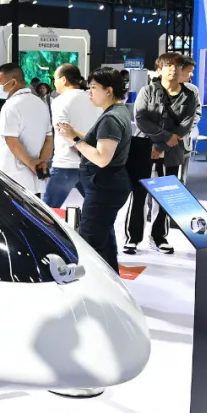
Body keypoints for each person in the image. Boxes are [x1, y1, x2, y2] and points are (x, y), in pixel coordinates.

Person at [54, 68, 133, 271]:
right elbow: (99, 142)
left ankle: (98, 284)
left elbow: (101, 158)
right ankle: (111, 281)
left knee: (91, 240)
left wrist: (74, 139)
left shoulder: (111, 118)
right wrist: (73, 133)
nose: (89, 92)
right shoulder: (117, 111)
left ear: (108, 90)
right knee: (104, 238)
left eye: (93, 88)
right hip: (108, 183)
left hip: (104, 185)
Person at [124, 53, 197, 255]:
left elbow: (186, 124)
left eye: (177, 66)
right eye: (168, 65)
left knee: (165, 196)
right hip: (144, 149)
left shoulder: (190, 95)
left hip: (172, 152)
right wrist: (163, 139)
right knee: (138, 195)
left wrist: (162, 146)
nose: (173, 69)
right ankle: (132, 237)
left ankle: (158, 237)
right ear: (159, 69)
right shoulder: (148, 91)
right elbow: (141, 119)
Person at [44, 64, 102, 208]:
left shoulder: (60, 101)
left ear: (63, 80)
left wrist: (78, 146)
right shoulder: (93, 99)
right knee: (97, 209)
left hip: (66, 164)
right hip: (92, 163)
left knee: (48, 211)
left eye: (55, 79)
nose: (54, 83)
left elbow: (62, 130)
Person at [0, 63, 54, 196]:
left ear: (13, 82)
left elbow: (11, 141)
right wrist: (41, 163)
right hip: (34, 179)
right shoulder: (40, 103)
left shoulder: (11, 106)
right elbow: (49, 139)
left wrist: (31, 163)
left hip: (13, 179)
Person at [178, 56, 202, 180]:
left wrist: (184, 130)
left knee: (181, 179)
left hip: (184, 141)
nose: (191, 75)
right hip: (162, 144)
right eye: (188, 71)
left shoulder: (192, 90)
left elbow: (197, 113)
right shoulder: (155, 90)